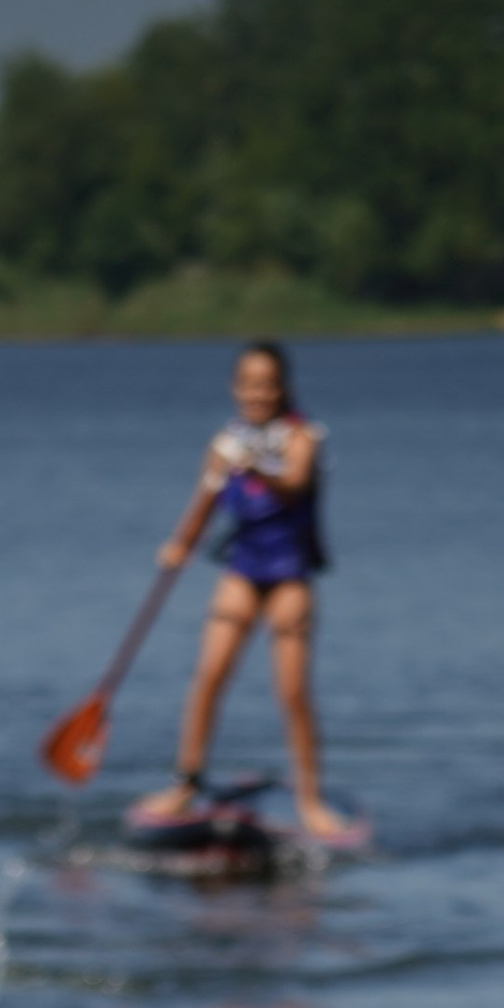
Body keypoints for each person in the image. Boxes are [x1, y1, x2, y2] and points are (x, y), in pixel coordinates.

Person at [134, 341, 354, 846]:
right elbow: (205, 503)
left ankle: (310, 800)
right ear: (237, 388)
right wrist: (179, 545)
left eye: (268, 384)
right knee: (209, 676)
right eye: (249, 384)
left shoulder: (303, 437)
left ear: (282, 388)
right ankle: (186, 784)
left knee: (293, 691)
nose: (258, 393)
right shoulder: (223, 444)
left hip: (289, 574)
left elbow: (293, 485)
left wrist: (251, 466)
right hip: (241, 569)